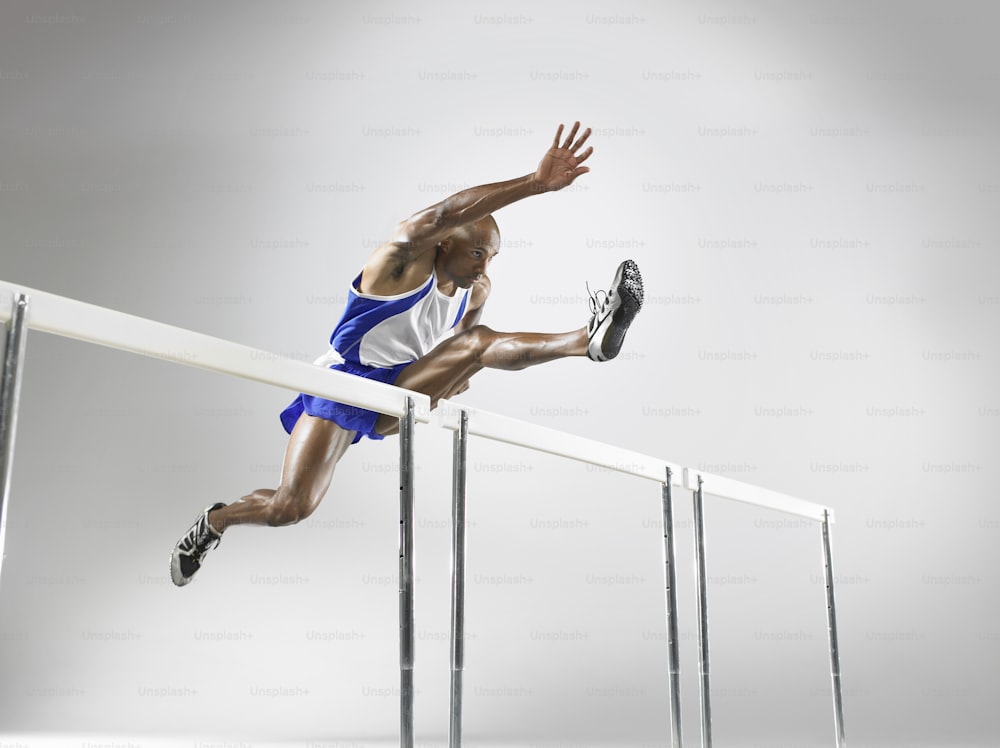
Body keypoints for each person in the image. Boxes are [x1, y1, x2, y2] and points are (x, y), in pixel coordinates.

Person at [170, 121, 643, 586]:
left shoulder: (476, 291)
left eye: (492, 257)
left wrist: (453, 380)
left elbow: (464, 351)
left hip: (400, 388)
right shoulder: (396, 266)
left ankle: (587, 340)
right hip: (344, 383)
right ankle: (217, 521)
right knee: (290, 508)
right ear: (442, 244)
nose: (484, 267)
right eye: (477, 253)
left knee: (475, 344)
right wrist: (535, 184)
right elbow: (442, 215)